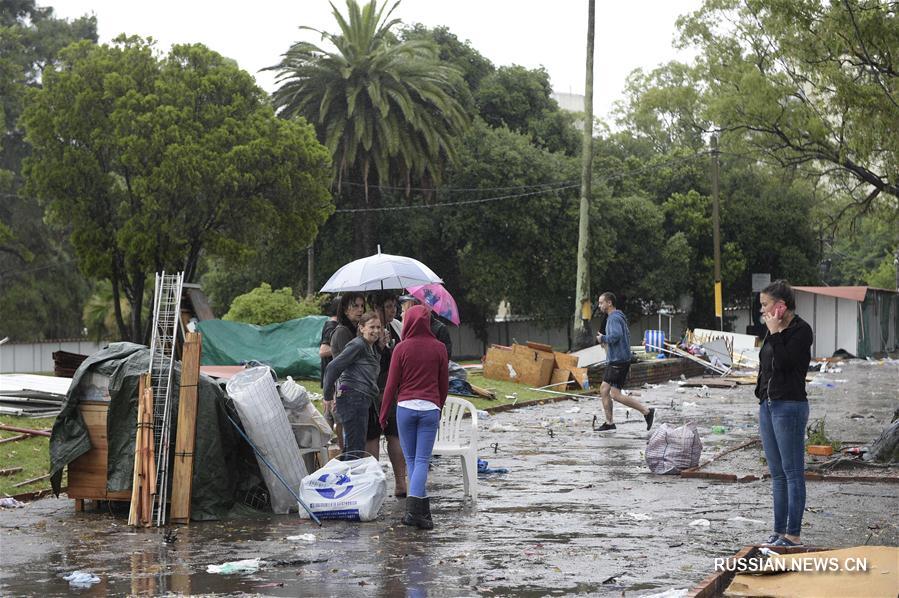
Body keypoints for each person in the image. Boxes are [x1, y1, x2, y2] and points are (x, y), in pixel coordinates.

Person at [755, 279, 813, 548]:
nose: (762, 311)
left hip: (789, 405)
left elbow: (788, 362)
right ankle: (779, 532)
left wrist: (776, 332)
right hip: (768, 405)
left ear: (781, 305)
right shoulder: (771, 330)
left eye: (765, 305)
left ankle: (793, 534)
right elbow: (766, 364)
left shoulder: (801, 331)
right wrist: (760, 395)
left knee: (792, 473)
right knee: (776, 474)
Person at [380, 304, 449, 530]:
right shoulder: (439, 348)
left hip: (405, 409)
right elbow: (444, 384)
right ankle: (419, 513)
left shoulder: (400, 348)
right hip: (430, 409)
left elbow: (391, 385)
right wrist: (439, 405)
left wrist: (383, 413)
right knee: (421, 462)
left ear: (408, 322)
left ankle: (415, 513)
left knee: (412, 462)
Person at [322, 311, 382, 459]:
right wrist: (328, 396)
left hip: (357, 399)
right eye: (371, 327)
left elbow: (351, 373)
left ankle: (345, 478)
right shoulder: (358, 345)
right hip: (354, 399)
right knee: (355, 450)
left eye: (378, 327)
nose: (376, 331)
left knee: (352, 447)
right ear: (361, 328)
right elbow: (333, 367)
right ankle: (350, 480)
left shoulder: (369, 346)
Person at [594, 292, 655, 432]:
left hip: (618, 360)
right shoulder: (616, 316)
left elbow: (616, 336)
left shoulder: (614, 318)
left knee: (613, 394)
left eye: (601, 302)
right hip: (618, 359)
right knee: (606, 390)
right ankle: (610, 423)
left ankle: (646, 412)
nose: (599, 305)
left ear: (609, 303)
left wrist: (603, 338)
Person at [367, 291, 408, 497]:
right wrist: (379, 346)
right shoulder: (369, 327)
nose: (394, 310)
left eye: (395, 306)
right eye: (389, 306)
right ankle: (373, 487)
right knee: (372, 436)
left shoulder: (396, 327)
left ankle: (401, 482)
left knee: (395, 434)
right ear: (378, 307)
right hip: (373, 389)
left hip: (393, 389)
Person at [398, 294, 453, 360]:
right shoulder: (402, 328)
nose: (401, 315)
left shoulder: (440, 329)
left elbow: (445, 357)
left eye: (403, 311)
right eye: (402, 311)